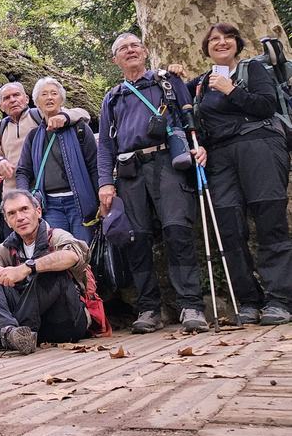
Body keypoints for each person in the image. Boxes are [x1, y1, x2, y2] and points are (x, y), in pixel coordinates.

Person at [181, 23, 292, 325]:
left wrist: (231, 90)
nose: (221, 42)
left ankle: (280, 299)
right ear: (205, 48)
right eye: (214, 39)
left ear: (237, 43)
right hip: (219, 158)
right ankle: (249, 300)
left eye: (227, 37)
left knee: (270, 222)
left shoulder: (252, 70)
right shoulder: (202, 83)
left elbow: (266, 106)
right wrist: (200, 145)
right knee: (228, 228)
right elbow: (182, 103)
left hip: (260, 146)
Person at [98, 32, 208, 334]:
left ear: (145, 51)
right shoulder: (113, 97)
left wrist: (200, 146)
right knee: (137, 239)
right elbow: (105, 146)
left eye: (135, 45)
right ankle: (148, 308)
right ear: (115, 59)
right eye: (123, 48)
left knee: (178, 231)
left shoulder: (167, 83)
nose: (130, 51)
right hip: (129, 171)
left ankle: (191, 305)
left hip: (167, 165)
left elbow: (192, 119)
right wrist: (105, 184)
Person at [0, 190, 90, 354]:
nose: (20, 217)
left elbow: (71, 256)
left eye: (24, 209)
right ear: (7, 221)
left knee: (50, 269)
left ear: (38, 211)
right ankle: (8, 333)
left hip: (65, 321)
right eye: (12, 213)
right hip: (27, 326)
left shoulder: (56, 236)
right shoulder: (9, 246)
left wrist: (27, 267)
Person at [16, 78, 98, 243]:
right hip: (50, 206)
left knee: (84, 251)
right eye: (44, 94)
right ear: (36, 102)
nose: (49, 98)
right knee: (57, 251)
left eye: (54, 93)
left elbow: (94, 166)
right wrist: (25, 198)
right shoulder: (34, 137)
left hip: (80, 203)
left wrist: (102, 197)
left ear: (62, 99)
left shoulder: (79, 129)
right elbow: (23, 171)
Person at [0, 82, 91, 191]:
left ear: (27, 99)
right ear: (1, 106)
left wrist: (64, 117)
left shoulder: (40, 114)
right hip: (13, 191)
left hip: (43, 189)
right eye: (7, 98)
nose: (12, 100)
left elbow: (83, 114)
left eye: (16, 95)